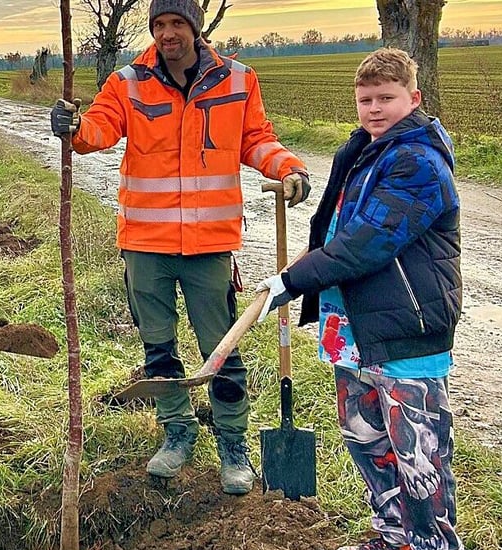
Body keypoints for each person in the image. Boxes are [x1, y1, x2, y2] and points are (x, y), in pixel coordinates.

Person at [50, 0, 310, 494]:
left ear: (194, 27)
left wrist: (287, 167)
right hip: (145, 244)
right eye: (159, 25)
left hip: (210, 245)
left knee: (222, 347)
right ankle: (177, 432)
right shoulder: (128, 81)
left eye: (177, 23)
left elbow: (255, 139)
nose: (168, 34)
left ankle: (233, 445)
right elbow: (100, 129)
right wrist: (74, 128)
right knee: (159, 347)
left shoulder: (238, 79)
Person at [257, 48, 465, 550]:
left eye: (387, 98)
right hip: (353, 326)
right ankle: (394, 539)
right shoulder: (365, 149)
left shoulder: (418, 161)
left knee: (419, 459)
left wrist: (293, 279)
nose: (375, 108)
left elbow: (369, 243)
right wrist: (304, 266)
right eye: (365, 99)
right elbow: (339, 233)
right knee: (366, 438)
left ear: (414, 99)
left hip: (406, 329)